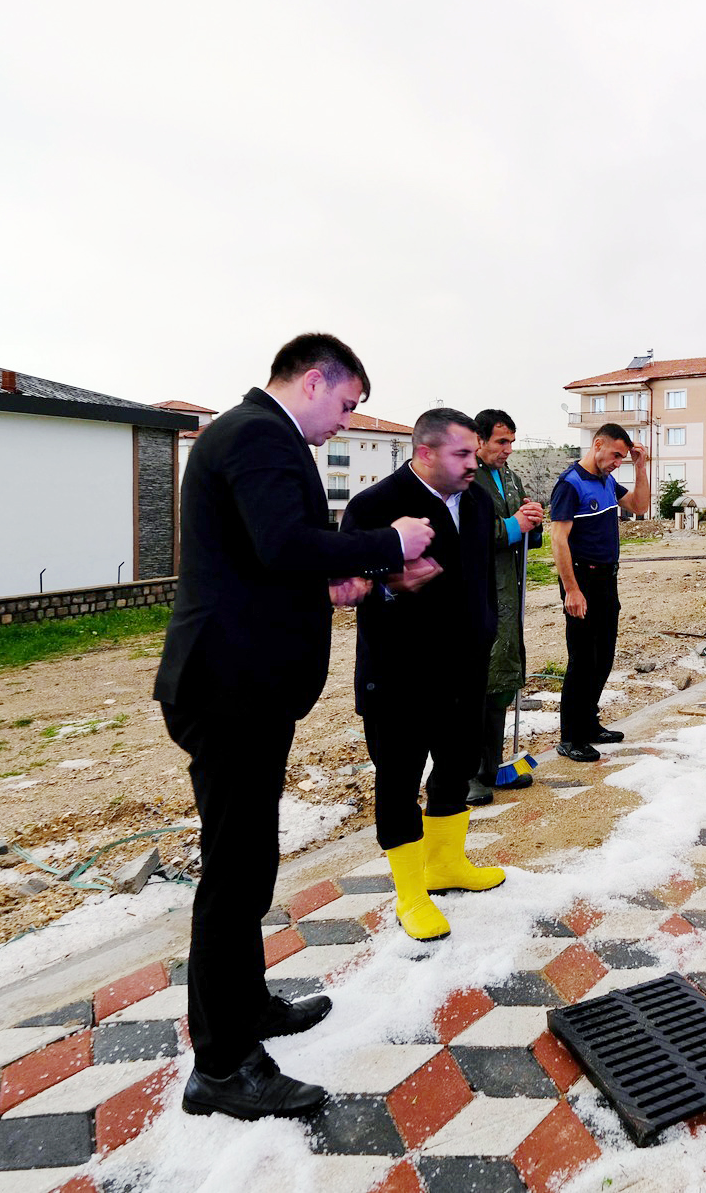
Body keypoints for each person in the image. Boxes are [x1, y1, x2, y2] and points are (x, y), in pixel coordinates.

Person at [155, 334, 433, 1121]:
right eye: (346, 403)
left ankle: (247, 1007)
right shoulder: (256, 434)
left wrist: (332, 585)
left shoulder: (257, 434)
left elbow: (262, 561)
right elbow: (282, 542)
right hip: (227, 688)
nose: (347, 420)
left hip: (245, 684)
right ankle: (222, 1065)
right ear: (313, 381)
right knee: (234, 873)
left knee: (251, 861)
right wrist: (390, 543)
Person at [340, 408, 538, 940]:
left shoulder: (475, 501)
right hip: (399, 673)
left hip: (465, 665)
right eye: (462, 454)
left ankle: (446, 863)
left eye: (475, 452)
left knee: (456, 765)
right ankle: (410, 895)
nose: (475, 463)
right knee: (399, 778)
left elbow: (481, 575)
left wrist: (486, 629)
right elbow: (342, 583)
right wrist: (388, 584)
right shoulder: (375, 506)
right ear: (425, 453)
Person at [549, 423, 651, 763]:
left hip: (607, 579)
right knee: (582, 659)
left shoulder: (606, 480)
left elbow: (639, 506)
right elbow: (558, 540)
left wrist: (640, 466)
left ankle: (589, 724)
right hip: (582, 579)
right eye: (616, 455)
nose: (617, 462)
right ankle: (570, 737)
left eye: (623, 457)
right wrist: (572, 590)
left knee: (603, 656)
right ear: (597, 445)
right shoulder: (571, 484)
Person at [468, 409, 546, 806]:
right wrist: (517, 524)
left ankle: (492, 766)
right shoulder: (467, 479)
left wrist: (534, 519)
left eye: (512, 442)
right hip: (480, 593)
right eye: (501, 442)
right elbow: (473, 533)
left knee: (502, 679)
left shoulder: (511, 477)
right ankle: (465, 773)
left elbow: (524, 531)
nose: (508, 449)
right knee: (476, 682)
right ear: (479, 440)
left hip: (509, 593)